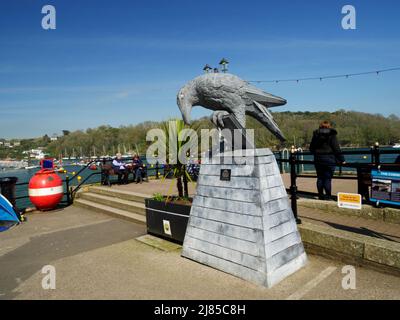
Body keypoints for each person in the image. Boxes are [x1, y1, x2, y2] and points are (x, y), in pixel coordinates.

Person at [310, 121, 345, 200]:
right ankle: (328, 197)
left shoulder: (316, 135)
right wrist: (342, 159)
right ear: (329, 127)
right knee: (327, 178)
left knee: (320, 178)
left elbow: (311, 148)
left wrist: (316, 153)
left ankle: (321, 196)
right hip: (329, 159)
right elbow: (336, 148)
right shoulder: (332, 135)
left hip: (318, 159)